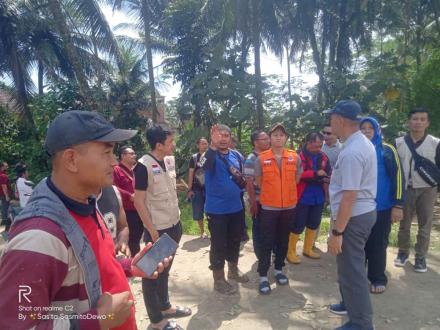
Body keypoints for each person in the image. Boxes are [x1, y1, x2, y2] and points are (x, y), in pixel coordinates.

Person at [0, 110, 170, 329]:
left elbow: (92, 261)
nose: (114, 162)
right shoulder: (39, 237)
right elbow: (17, 322)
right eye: (107, 153)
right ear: (71, 159)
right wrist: (99, 320)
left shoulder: (87, 204)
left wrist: (129, 266)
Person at [325, 100, 377, 330]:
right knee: (347, 265)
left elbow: (349, 196)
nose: (329, 123)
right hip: (357, 214)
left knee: (352, 269)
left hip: (353, 217)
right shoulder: (355, 144)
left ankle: (361, 322)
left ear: (340, 120)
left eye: (331, 119)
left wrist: (338, 231)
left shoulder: (353, 151)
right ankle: (349, 304)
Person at [134, 124, 191, 330]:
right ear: (158, 144)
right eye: (170, 142)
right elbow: (138, 201)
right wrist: (151, 231)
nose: (174, 145)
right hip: (157, 230)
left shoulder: (168, 160)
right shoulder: (143, 166)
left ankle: (165, 306)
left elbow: (168, 186)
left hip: (174, 224)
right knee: (151, 274)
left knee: (165, 271)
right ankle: (157, 320)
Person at [254, 123, 302, 294]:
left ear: (286, 138)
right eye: (275, 135)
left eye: (281, 135)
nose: (278, 137)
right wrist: (273, 193)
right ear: (270, 138)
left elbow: (297, 177)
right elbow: (258, 180)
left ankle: (279, 269)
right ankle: (263, 276)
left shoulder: (294, 157)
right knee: (266, 241)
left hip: (289, 206)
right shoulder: (261, 158)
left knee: (283, 240)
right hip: (269, 207)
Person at [201, 124, 249, 295]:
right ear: (213, 136)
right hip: (216, 210)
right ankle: (218, 279)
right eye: (219, 135)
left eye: (226, 135)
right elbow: (204, 167)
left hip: (236, 206)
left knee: (235, 240)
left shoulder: (236, 155)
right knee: (218, 244)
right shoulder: (208, 155)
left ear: (230, 138)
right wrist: (212, 147)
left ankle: (233, 270)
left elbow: (244, 176)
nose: (223, 138)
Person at [360, 117, 405, 293]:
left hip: (382, 206)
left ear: (377, 130)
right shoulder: (354, 149)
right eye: (362, 128)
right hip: (359, 208)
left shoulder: (387, 150)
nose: (366, 131)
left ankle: (377, 277)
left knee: (378, 244)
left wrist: (398, 205)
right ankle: (358, 277)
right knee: (359, 244)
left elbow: (398, 177)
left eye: (370, 127)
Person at [394, 107, 440, 273]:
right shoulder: (398, 142)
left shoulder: (436, 143)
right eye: (415, 119)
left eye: (422, 119)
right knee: (404, 223)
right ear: (409, 122)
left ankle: (420, 257)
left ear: (427, 123)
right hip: (405, 188)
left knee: (425, 223)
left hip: (428, 189)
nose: (418, 122)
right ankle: (402, 252)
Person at [287, 132, 330, 264]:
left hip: (318, 194)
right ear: (308, 143)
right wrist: (315, 173)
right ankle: (291, 252)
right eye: (315, 145)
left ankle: (307, 249)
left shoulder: (323, 156)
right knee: (298, 224)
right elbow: (295, 175)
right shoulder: (297, 156)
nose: (318, 148)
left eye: (320, 145)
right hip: (302, 194)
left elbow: (328, 172)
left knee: (314, 223)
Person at [244, 129, 270, 259]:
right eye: (264, 139)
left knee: (269, 228)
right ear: (255, 142)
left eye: (267, 138)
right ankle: (260, 256)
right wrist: (253, 202)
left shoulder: (269, 156)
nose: (268, 141)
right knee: (259, 228)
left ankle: (268, 253)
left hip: (270, 200)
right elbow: (249, 183)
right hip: (258, 201)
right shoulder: (251, 159)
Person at [113, 145, 144, 256]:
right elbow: (113, 187)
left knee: (137, 236)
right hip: (127, 211)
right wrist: (129, 196)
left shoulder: (134, 170)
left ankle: (134, 259)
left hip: (139, 208)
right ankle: (131, 263)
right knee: (131, 238)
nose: (134, 156)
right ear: (123, 156)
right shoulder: (116, 170)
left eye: (134, 154)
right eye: (131, 154)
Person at [97, 185, 131, 257]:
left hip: (113, 261)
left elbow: (123, 227)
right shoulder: (70, 203)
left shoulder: (114, 191)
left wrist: (122, 242)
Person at [187, 137, 209, 238]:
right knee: (198, 210)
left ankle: (213, 230)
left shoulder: (211, 156)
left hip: (210, 187)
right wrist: (189, 188)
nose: (205, 145)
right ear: (198, 146)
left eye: (206, 143)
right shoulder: (194, 158)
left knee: (211, 210)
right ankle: (202, 231)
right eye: (203, 143)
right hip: (197, 187)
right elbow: (191, 173)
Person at [0, 161, 12, 230]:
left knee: (5, 209)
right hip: (4, 195)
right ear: (2, 167)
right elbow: (4, 186)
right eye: (6, 166)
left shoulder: (2, 174)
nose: (7, 167)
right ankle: (7, 227)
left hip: (2, 195)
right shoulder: (3, 175)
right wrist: (7, 196)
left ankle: (7, 226)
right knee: (7, 209)